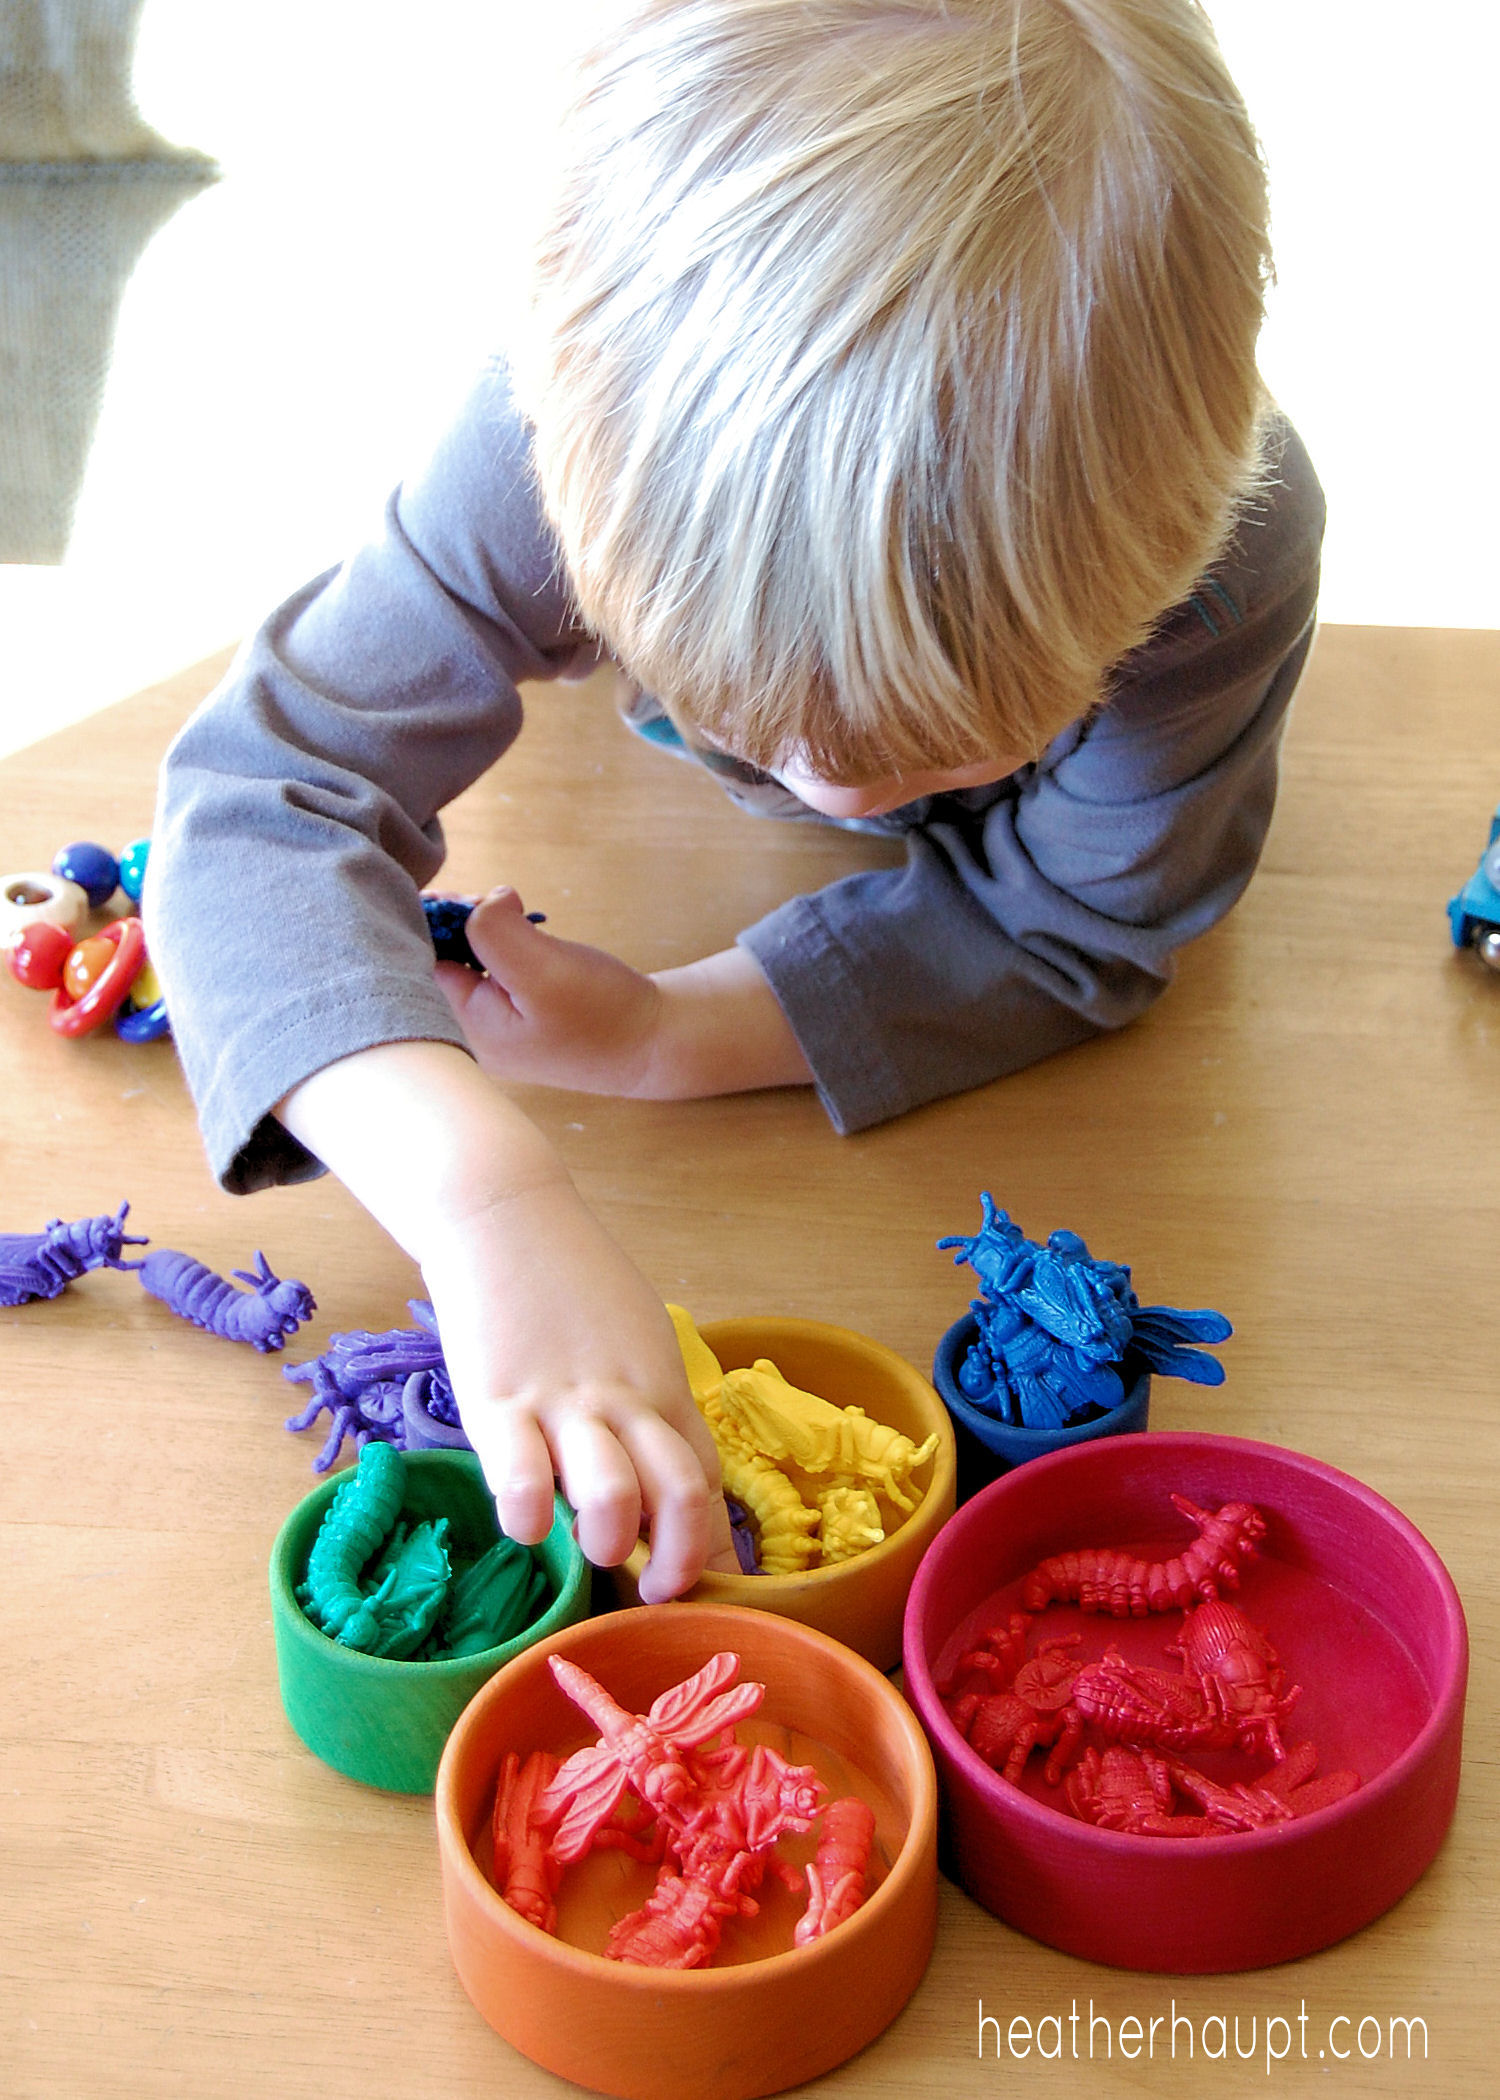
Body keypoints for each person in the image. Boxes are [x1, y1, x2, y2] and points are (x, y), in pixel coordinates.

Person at [146, 0, 1324, 1602]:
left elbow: (1074, 922)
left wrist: (671, 1032)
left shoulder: (1222, 570)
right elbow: (258, 800)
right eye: (736, 716)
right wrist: (484, 1201)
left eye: (959, 742)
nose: (831, 789)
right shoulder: (544, 439)